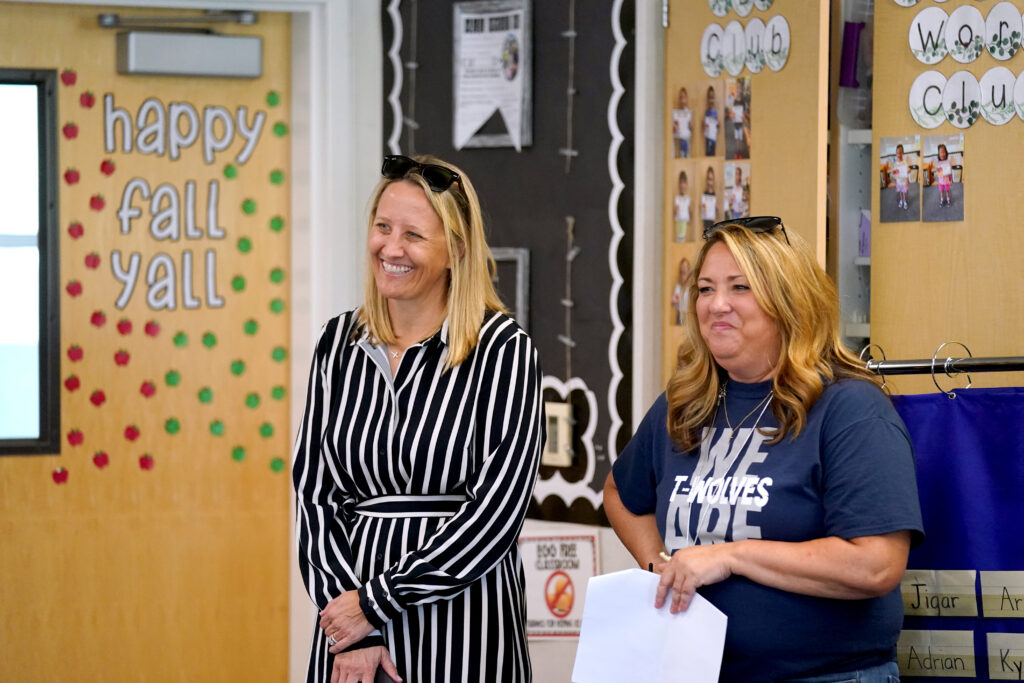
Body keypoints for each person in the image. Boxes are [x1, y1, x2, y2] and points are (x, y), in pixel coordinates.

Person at [604, 217, 924, 682]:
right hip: (691, 670)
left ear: (789, 301)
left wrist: (732, 555)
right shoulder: (684, 403)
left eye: (741, 287)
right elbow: (620, 493)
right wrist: (661, 567)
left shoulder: (849, 409)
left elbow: (877, 564)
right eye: (706, 289)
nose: (717, 305)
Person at [293, 154, 544, 683]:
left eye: (413, 235)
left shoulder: (503, 350)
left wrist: (375, 603)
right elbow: (315, 497)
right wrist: (355, 628)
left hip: (465, 623)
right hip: (350, 632)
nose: (391, 248)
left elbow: (495, 516)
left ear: (456, 250)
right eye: (383, 227)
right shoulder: (337, 343)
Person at [672, 87, 693, 159]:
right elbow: (673, 130)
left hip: (687, 141)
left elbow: (692, 129)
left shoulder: (689, 114)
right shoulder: (676, 114)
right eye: (681, 98)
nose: (682, 100)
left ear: (686, 99)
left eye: (684, 97)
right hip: (678, 142)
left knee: (686, 158)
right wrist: (674, 129)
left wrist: (691, 126)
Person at [670, 257, 691, 326]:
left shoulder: (691, 288)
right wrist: (674, 301)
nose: (682, 276)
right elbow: (674, 301)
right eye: (681, 273)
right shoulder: (678, 287)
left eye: (684, 273)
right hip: (679, 315)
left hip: (688, 315)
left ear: (688, 273)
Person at [673, 170, 693, 242]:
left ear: (686, 184)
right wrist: (675, 210)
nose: (682, 185)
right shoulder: (677, 198)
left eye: (684, 183)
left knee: (683, 237)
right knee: (679, 237)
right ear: (679, 185)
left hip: (685, 222)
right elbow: (674, 213)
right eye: (681, 183)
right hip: (678, 222)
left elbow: (690, 211)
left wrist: (690, 217)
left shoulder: (688, 199)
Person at [700, 166, 718, 234]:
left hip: (712, 220)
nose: (709, 182)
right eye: (708, 179)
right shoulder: (704, 193)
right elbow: (703, 209)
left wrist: (716, 209)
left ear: (713, 180)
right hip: (705, 220)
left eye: (711, 179)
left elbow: (715, 209)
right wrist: (701, 207)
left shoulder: (714, 194)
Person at [893, 144, 910, 210]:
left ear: (902, 153)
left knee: (904, 192)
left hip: (904, 181)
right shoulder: (895, 163)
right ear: (896, 154)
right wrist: (894, 172)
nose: (899, 155)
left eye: (900, 153)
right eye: (897, 153)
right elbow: (895, 172)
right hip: (899, 181)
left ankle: (904, 201)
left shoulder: (905, 162)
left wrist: (909, 170)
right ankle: (901, 200)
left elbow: (907, 170)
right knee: (900, 192)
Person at [703, 85, 719, 157]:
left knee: (713, 153)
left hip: (714, 138)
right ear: (707, 99)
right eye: (709, 98)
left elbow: (717, 126)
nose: (711, 100)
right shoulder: (706, 112)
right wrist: (703, 124)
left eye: (712, 98)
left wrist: (718, 124)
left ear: (714, 98)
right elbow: (704, 126)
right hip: (708, 138)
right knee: (707, 154)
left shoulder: (716, 112)